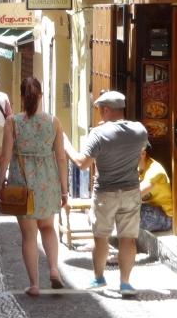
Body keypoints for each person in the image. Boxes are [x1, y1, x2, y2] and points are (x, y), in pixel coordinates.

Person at [64, 91, 149, 297]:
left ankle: (99, 277)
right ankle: (125, 283)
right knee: (128, 239)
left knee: (101, 237)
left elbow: (82, 164)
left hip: (105, 192)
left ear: (106, 109)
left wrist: (66, 145)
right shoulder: (140, 130)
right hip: (131, 190)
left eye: (100, 110)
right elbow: (140, 158)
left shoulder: (98, 133)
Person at [0, 77, 69, 297]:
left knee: (29, 236)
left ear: (21, 97)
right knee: (48, 227)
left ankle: (34, 284)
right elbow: (61, 158)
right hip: (48, 182)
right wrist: (64, 189)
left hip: (22, 184)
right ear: (41, 96)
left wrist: (0, 183)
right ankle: (54, 269)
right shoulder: (53, 122)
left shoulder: (13, 122)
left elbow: (4, 156)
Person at [138, 145, 175, 233]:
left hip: (166, 217)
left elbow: (135, 193)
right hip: (150, 209)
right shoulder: (138, 169)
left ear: (142, 154)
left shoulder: (155, 170)